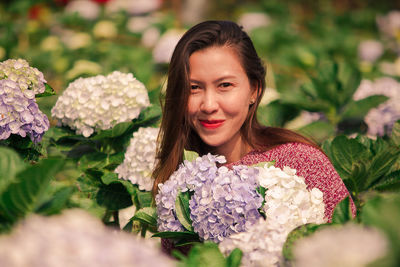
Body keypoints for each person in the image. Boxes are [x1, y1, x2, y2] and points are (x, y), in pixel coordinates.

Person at [152, 20, 355, 247]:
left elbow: (354, 249)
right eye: (194, 88)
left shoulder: (301, 162)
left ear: (254, 90)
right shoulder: (177, 187)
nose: (208, 105)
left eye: (225, 85)